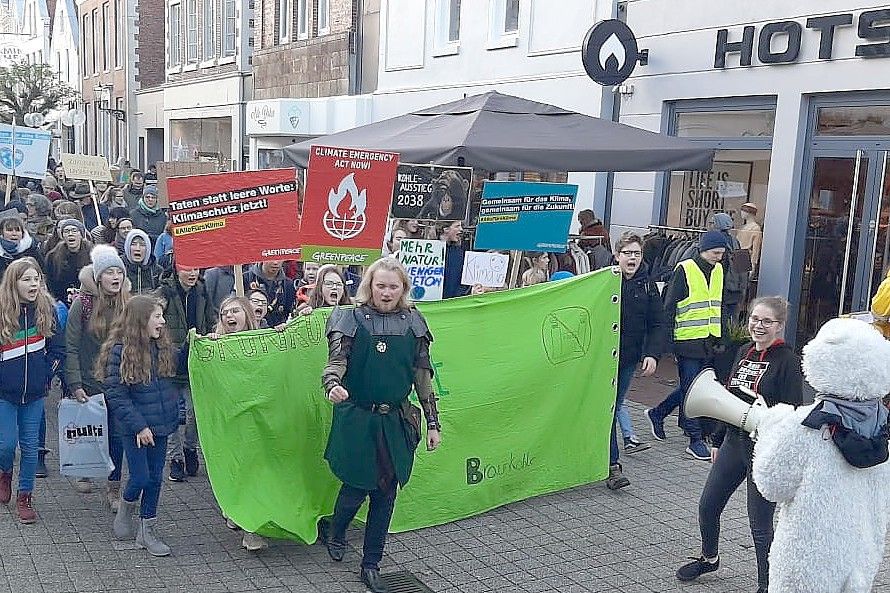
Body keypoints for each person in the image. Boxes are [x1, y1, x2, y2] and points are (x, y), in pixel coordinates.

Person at [319, 258, 442, 593]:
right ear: (369, 286)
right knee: (355, 489)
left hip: (395, 422)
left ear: (403, 289)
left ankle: (371, 563)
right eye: (381, 285)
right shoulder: (350, 318)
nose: (387, 292)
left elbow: (423, 378)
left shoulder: (414, 321)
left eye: (393, 286)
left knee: (385, 492)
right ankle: (337, 530)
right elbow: (336, 362)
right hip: (359, 418)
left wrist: (433, 422)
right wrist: (332, 385)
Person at [676, 296, 803, 593]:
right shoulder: (743, 352)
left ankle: (767, 585)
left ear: (779, 326)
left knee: (760, 526)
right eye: (755, 319)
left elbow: (793, 411)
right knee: (708, 507)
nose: (759, 326)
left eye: (767, 321)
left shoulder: (787, 361)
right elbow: (728, 401)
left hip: (765, 449)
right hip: (734, 442)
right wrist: (718, 441)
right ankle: (710, 558)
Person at [98, 295, 180, 557]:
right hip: (134, 428)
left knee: (155, 479)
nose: (162, 321)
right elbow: (116, 394)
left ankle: (147, 531)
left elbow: (183, 362)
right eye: (157, 316)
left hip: (161, 424)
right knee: (140, 476)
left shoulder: (163, 347)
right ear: (141, 320)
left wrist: (201, 342)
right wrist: (139, 426)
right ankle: (126, 505)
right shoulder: (119, 350)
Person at [645, 230, 728, 461]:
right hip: (687, 340)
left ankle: (658, 413)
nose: (718, 257)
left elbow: (717, 304)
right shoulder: (685, 269)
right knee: (692, 390)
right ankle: (694, 439)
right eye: (715, 253)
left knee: (692, 388)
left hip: (708, 340)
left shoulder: (719, 269)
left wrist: (721, 337)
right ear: (703, 250)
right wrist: (665, 344)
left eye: (721, 253)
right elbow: (669, 307)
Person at [0, 258, 63, 523]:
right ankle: (4, 472)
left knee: (30, 447)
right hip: (5, 394)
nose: (33, 284)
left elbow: (58, 350)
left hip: (35, 394)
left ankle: (25, 496)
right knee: (6, 445)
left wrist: (46, 374)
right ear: (14, 283)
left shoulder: (47, 309)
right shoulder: (3, 312)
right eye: (26, 279)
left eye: (36, 278)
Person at [65, 245, 131, 502]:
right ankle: (85, 470)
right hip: (90, 380)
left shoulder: (129, 303)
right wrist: (75, 382)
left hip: (120, 381)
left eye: (119, 272)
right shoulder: (83, 304)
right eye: (109, 272)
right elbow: (70, 345)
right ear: (98, 277)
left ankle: (113, 486)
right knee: (92, 432)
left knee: (117, 436)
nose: (115, 277)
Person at [206, 295, 269, 551]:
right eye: (225, 313)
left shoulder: (264, 339)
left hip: (257, 417)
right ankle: (240, 516)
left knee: (255, 470)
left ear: (247, 315)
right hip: (230, 418)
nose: (230, 317)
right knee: (238, 469)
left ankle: (250, 527)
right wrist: (206, 349)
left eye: (235, 311)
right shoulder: (216, 343)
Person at [606, 233, 665, 490]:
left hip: (628, 358)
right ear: (617, 256)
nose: (632, 258)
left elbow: (657, 322)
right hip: (601, 359)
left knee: (613, 406)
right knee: (606, 408)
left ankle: (610, 462)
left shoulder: (648, 285)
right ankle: (613, 465)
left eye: (637, 254)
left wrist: (652, 353)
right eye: (627, 253)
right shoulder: (604, 282)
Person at [154, 264, 212, 482]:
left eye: (196, 269)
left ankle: (190, 447)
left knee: (193, 412)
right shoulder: (164, 292)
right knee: (169, 414)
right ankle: (175, 458)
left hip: (194, 361)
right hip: (168, 362)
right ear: (177, 269)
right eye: (187, 268)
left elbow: (210, 321)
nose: (192, 273)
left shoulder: (202, 291)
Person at [45, 219, 92, 305]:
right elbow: (50, 282)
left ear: (81, 235)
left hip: (89, 301)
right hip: (61, 301)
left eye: (74, 230)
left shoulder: (92, 254)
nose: (70, 234)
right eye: (66, 231)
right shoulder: (53, 257)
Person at [244, 260, 296, 326]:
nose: (275, 263)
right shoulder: (245, 278)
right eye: (272, 259)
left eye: (279, 259)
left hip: (276, 332)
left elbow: (288, 312)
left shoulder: (288, 284)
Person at [0, 210, 45, 279]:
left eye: (17, 230)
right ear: (2, 233)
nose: (14, 233)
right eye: (9, 230)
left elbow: (42, 272)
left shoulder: (32, 249)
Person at [123, 229, 161, 294]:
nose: (137, 248)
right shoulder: (120, 269)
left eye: (142, 245)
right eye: (133, 244)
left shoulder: (157, 271)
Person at [439, 220, 468, 298]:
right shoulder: (430, 249)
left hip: (453, 301)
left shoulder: (459, 252)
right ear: (446, 229)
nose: (461, 229)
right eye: (457, 226)